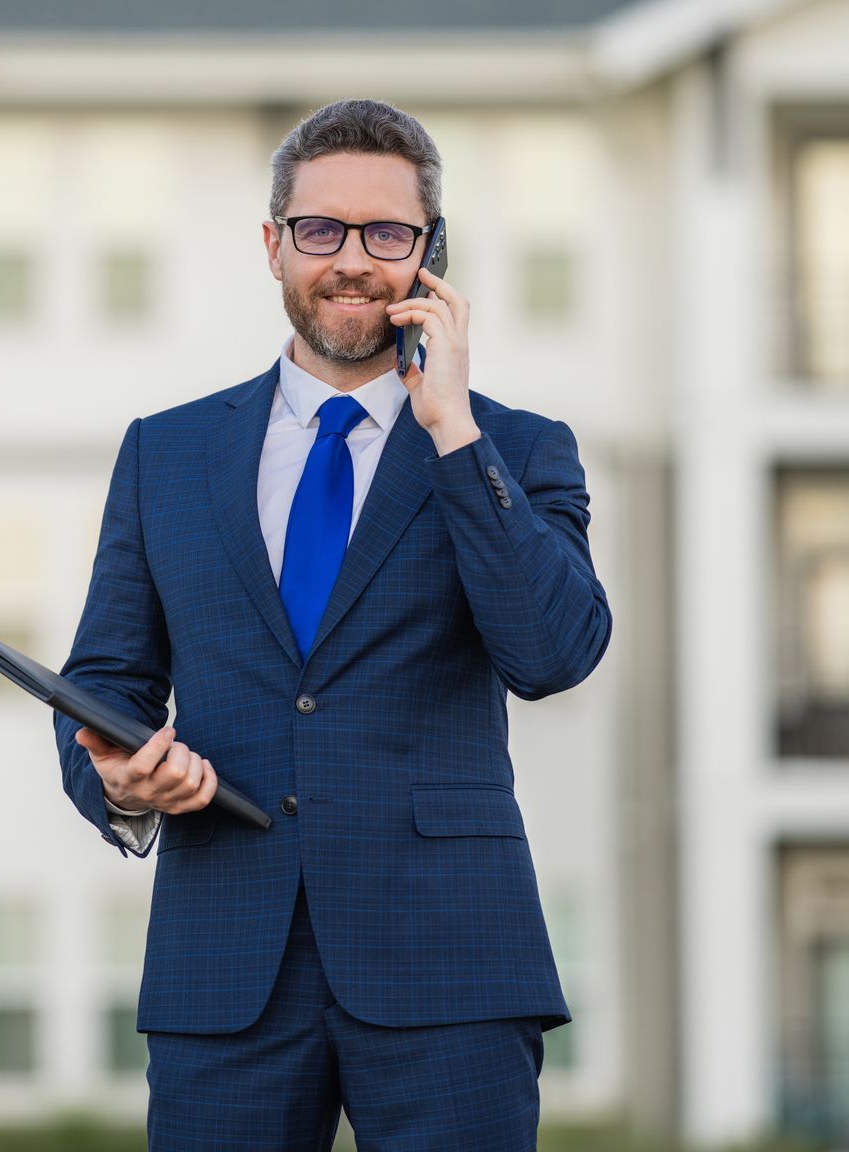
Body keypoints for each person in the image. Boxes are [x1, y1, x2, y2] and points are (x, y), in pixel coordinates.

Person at [52, 98, 612, 1151]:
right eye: (321, 230)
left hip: (452, 961)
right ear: (273, 245)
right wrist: (119, 780)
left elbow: (553, 653)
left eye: (388, 234)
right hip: (225, 966)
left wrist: (452, 427)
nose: (353, 260)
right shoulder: (163, 456)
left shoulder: (518, 452)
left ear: (430, 255)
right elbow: (108, 682)